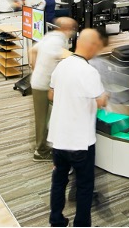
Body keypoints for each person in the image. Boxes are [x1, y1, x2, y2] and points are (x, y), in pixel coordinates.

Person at [48, 29, 108, 228]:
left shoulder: (62, 65)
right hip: (81, 142)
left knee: (58, 181)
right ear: (91, 46)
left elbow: (51, 94)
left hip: (59, 138)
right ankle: (81, 224)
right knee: (84, 186)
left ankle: (56, 220)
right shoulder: (89, 72)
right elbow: (101, 101)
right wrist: (104, 96)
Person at [30, 17, 77, 161]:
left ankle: (45, 144)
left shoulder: (50, 36)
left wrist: (34, 67)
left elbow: (32, 50)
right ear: (65, 29)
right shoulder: (57, 41)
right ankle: (41, 151)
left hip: (40, 81)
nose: (73, 31)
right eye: (72, 28)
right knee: (43, 118)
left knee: (45, 117)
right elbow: (66, 57)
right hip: (42, 85)